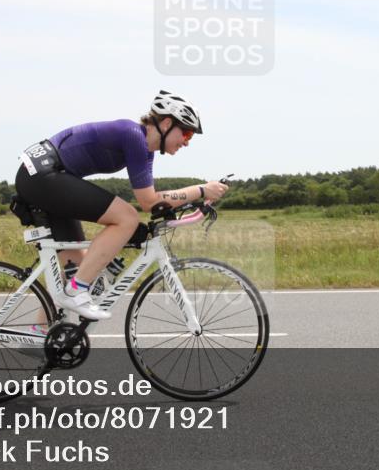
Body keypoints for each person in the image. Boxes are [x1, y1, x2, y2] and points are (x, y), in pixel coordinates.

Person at [15, 91, 228, 321]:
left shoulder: (145, 151)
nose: (186, 142)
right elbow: (148, 202)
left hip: (45, 176)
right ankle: (77, 290)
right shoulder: (133, 136)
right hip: (42, 175)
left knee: (76, 267)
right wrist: (202, 190)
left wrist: (192, 198)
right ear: (166, 123)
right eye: (186, 133)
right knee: (127, 217)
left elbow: (153, 199)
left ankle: (41, 331)